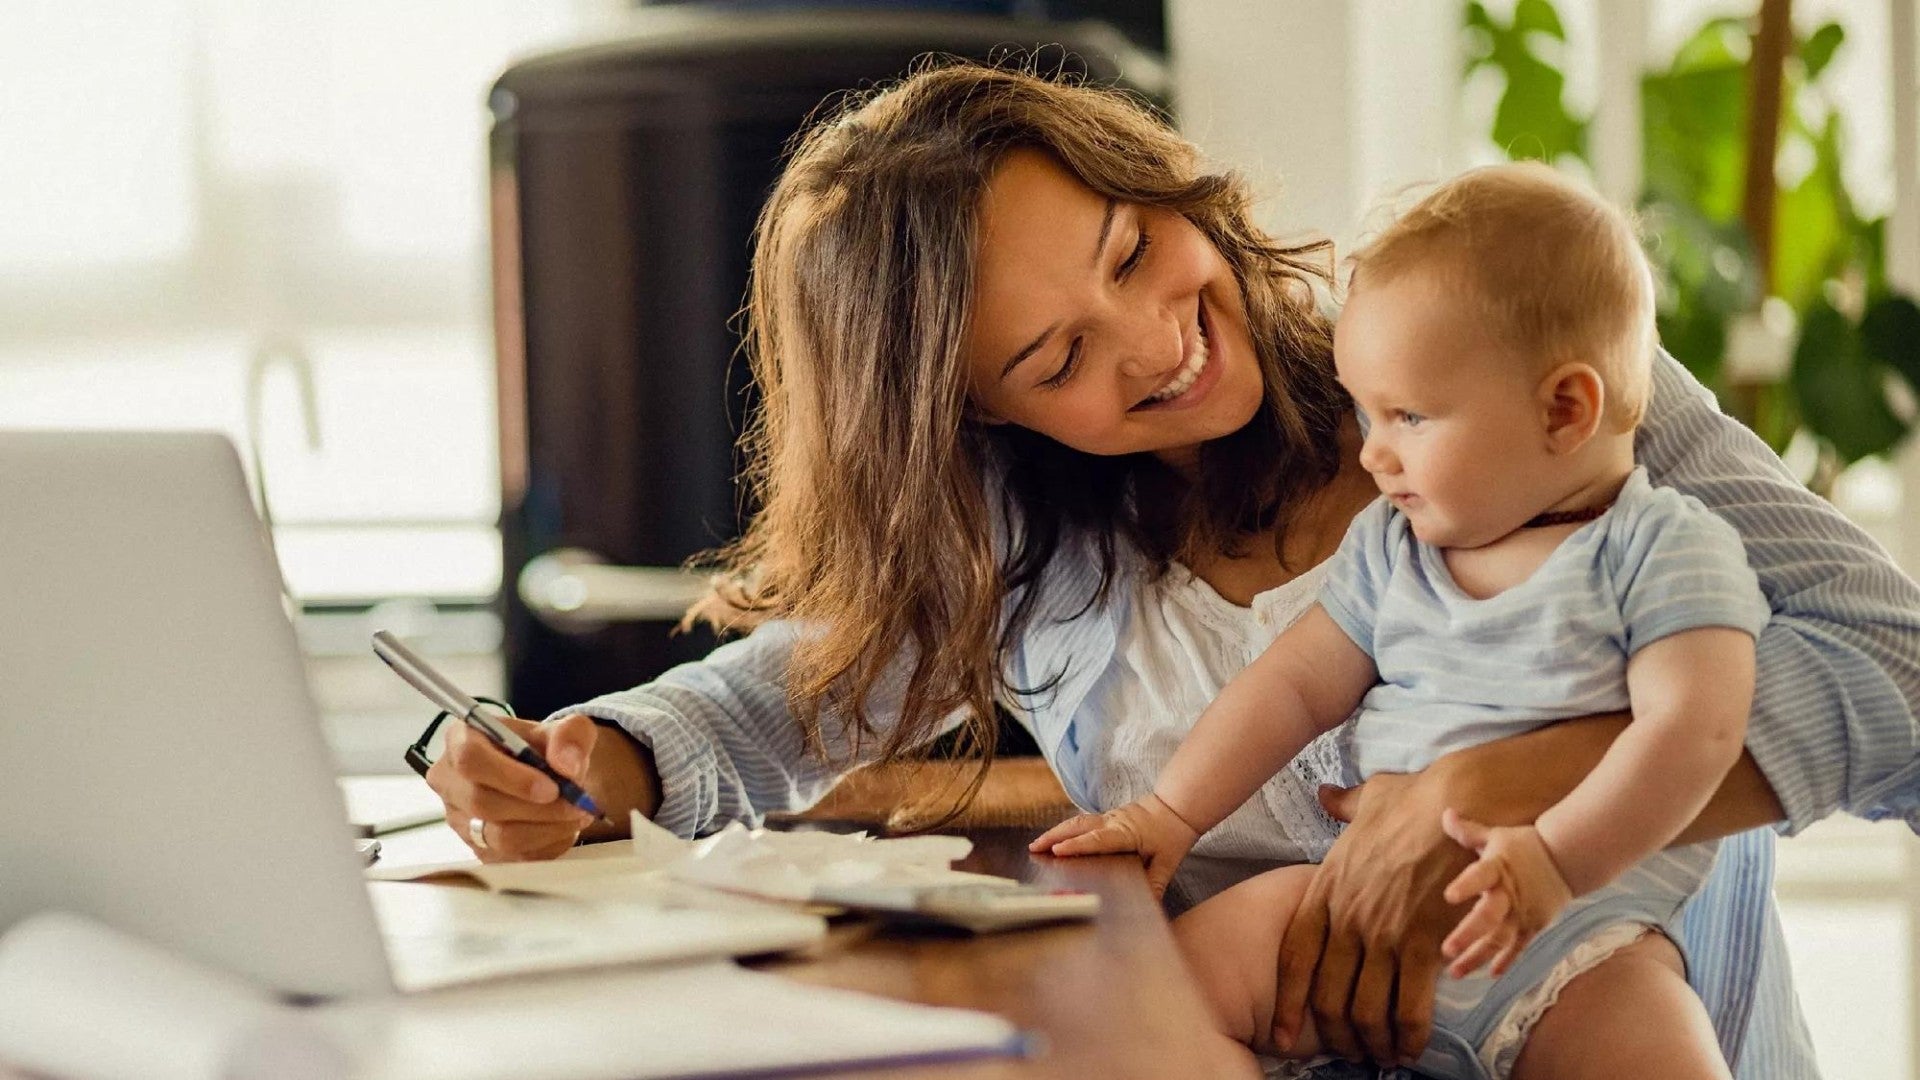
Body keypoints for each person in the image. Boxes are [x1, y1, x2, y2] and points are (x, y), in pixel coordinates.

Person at [421, 61, 1920, 1078]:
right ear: (974, 414)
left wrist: (1497, 785)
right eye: (1057, 355)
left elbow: (1901, 678)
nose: (1156, 342)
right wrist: (601, 753)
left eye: (1136, 251)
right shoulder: (1028, 529)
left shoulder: (1502, 357)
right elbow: (783, 695)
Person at [1030, 163, 1764, 1079]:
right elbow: (1293, 686)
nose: (1372, 453)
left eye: (1408, 416)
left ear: (1564, 408)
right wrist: (1171, 812)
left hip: (1581, 947)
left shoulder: (1662, 551)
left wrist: (1554, 861)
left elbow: (1698, 734)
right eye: (1366, 412)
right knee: (1155, 1004)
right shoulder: (1396, 547)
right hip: (1347, 910)